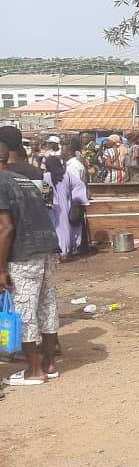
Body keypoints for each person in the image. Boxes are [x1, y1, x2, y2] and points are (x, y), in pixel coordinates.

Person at [0, 142, 61, 387]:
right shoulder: (22, 179)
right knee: (47, 305)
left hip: (23, 254)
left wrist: (1, 269)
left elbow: (5, 228)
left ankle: (34, 370)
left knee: (25, 311)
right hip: (47, 248)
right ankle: (49, 363)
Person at [42, 155, 89, 261]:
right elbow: (80, 186)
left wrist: (76, 202)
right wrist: (77, 200)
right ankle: (64, 252)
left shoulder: (49, 177)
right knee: (63, 229)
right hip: (58, 209)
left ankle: (62, 253)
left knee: (60, 229)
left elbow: (79, 186)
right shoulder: (64, 176)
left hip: (57, 209)